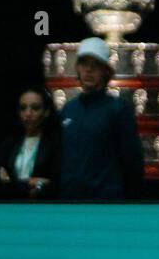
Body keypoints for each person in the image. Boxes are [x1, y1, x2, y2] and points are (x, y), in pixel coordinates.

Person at [58, 37, 144, 199]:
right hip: (70, 202)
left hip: (106, 204)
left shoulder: (118, 110)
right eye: (84, 63)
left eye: (95, 64)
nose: (89, 70)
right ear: (77, 67)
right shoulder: (68, 110)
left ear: (105, 70)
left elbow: (132, 162)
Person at [0, 86, 61, 199]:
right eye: (23, 108)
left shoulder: (55, 144)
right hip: (10, 207)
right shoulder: (9, 144)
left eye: (35, 108)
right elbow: (0, 179)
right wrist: (30, 183)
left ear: (46, 112)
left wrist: (40, 186)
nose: (28, 113)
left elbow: (57, 182)